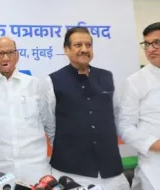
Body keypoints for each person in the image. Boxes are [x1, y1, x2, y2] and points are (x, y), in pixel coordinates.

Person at [44, 27, 129, 189]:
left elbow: (118, 117)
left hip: (111, 173)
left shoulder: (108, 77)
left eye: (88, 45)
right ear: (66, 49)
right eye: (78, 45)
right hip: (72, 174)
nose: (84, 49)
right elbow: (50, 125)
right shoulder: (53, 81)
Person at [0, 36, 54, 185]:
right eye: (0, 54)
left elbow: (48, 124)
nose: (5, 57)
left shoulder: (34, 84)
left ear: (17, 55)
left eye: (10, 52)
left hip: (34, 174)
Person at [117, 22, 160, 190]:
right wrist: (158, 144)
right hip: (155, 167)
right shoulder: (136, 81)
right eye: (146, 44)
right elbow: (124, 127)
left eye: (157, 43)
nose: (150, 49)